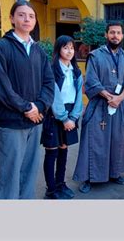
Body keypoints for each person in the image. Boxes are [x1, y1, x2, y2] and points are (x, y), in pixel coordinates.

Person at [0, 0, 55, 199]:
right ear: (11, 18)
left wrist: (40, 106)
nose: (27, 19)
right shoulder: (1, 47)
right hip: (11, 122)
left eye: (31, 16)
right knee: (10, 173)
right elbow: (2, 86)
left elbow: (49, 82)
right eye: (21, 15)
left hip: (35, 121)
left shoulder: (38, 50)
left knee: (29, 172)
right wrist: (26, 107)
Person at [73, 22, 124, 193]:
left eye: (118, 33)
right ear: (106, 35)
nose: (115, 36)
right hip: (99, 105)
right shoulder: (95, 55)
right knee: (93, 142)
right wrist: (109, 97)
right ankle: (88, 178)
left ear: (122, 36)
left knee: (117, 140)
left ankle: (114, 173)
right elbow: (91, 81)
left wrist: (120, 98)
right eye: (112, 32)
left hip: (119, 106)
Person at [40, 35, 83, 199]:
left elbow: (79, 97)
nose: (69, 51)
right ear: (58, 50)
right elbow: (54, 96)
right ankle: (51, 189)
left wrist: (73, 117)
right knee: (52, 152)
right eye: (65, 47)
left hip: (71, 115)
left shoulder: (76, 71)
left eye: (72, 47)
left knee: (64, 151)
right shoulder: (52, 70)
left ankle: (60, 184)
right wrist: (64, 118)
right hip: (54, 115)